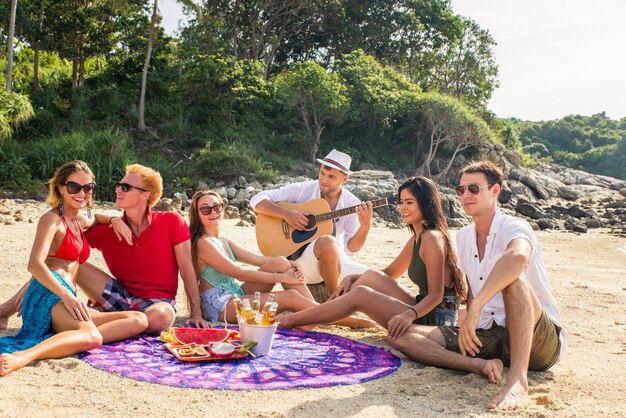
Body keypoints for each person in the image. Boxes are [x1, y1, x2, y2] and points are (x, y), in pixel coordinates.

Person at [387, 161, 564, 411]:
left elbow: (517, 258)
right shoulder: (464, 237)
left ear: (495, 191)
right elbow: (471, 289)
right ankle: (481, 365)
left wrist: (475, 309)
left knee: (513, 278)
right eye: (461, 190)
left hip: (538, 338)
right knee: (401, 336)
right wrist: (470, 317)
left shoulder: (514, 226)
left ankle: (517, 381)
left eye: (474, 188)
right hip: (491, 334)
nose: (466, 195)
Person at [1, 164, 208, 334]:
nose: (118, 190)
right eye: (119, 185)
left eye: (126, 187)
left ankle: (93, 325)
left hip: (157, 302)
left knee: (159, 318)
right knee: (75, 262)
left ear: (146, 195)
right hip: (117, 295)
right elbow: (61, 252)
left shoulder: (171, 221)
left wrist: (196, 313)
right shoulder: (107, 229)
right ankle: (4, 311)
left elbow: (187, 269)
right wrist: (34, 283)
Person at [0, 161, 148, 376]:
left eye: (88, 188)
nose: (82, 193)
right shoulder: (52, 220)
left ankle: (66, 340)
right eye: (74, 187)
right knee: (93, 337)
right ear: (60, 188)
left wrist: (115, 219)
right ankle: (25, 355)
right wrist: (67, 297)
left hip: (67, 299)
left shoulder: (78, 219)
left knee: (138, 319)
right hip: (51, 295)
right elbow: (34, 263)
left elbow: (95, 217)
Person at [278, 176, 467, 334]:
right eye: (401, 202)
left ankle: (290, 321)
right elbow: (388, 273)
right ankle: (316, 316)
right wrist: (350, 278)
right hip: (422, 307)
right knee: (370, 277)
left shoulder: (432, 238)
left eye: (409, 203)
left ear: (425, 204)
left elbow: (436, 295)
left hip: (437, 319)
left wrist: (407, 315)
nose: (402, 208)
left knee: (361, 294)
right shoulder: (419, 237)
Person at [190, 191, 376, 328]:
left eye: (217, 207)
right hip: (219, 306)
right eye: (206, 209)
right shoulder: (203, 243)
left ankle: (315, 313)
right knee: (291, 296)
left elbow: (259, 260)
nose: (213, 212)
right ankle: (344, 319)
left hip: (234, 294)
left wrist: (288, 264)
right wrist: (282, 279)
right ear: (198, 215)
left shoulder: (223, 241)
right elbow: (239, 272)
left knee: (278, 262)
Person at [250, 149, 374, 298]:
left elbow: (350, 250)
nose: (324, 179)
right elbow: (257, 199)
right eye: (322, 173)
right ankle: (336, 301)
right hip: (299, 262)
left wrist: (365, 228)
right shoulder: (303, 190)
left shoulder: (352, 204)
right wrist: (287, 214)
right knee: (327, 242)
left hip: (335, 261)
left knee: (375, 279)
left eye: (331, 177)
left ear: (344, 179)